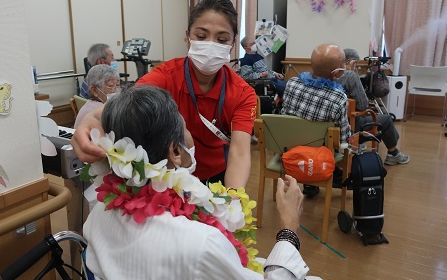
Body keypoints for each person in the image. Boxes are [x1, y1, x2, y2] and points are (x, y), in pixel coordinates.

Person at [83, 84, 320, 280]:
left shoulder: (98, 214)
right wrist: (289, 226)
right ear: (175, 151)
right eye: (184, 126)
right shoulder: (202, 243)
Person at [71, 0, 257, 189]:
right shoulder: (165, 77)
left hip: (215, 175)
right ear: (187, 37)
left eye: (222, 39)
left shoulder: (242, 94)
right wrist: (89, 121)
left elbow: (240, 152)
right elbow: (122, 106)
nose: (210, 44)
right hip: (169, 176)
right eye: (201, 36)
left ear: (233, 44)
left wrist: (234, 198)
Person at [280, 44, 351, 197]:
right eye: (343, 65)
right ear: (336, 73)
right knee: (331, 140)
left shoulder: (292, 84)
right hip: (319, 155)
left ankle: (310, 185)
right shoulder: (338, 97)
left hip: (291, 148)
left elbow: (285, 114)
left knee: (306, 135)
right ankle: (324, 178)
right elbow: (343, 139)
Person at [338, 48, 410, 166]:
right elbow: (363, 105)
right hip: (350, 123)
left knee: (383, 120)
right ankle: (394, 154)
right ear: (351, 62)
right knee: (386, 119)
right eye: (356, 63)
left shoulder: (327, 74)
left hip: (332, 124)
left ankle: (394, 151)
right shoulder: (350, 76)